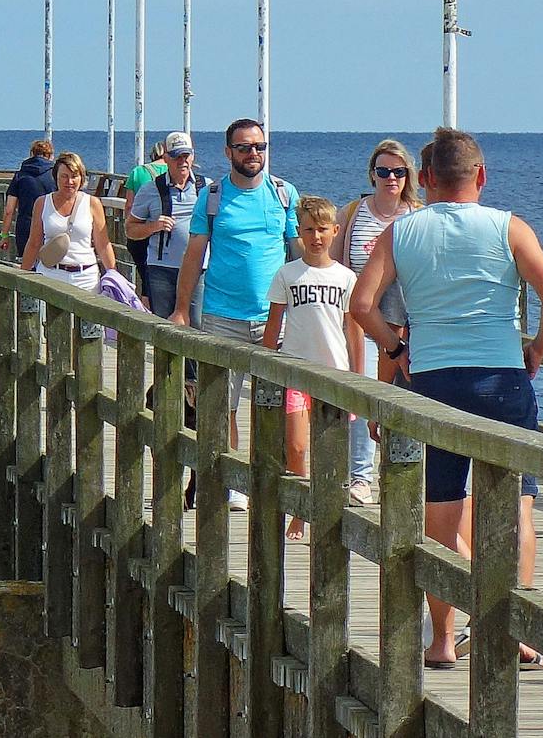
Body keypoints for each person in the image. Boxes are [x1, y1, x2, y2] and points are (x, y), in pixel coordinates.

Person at [348, 127, 543, 671]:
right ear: (481, 176)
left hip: (435, 379)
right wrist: (536, 348)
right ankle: (520, 633)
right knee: (517, 506)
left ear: (424, 179)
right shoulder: (508, 227)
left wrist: (397, 348)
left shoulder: (401, 232)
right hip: (502, 378)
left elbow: (361, 304)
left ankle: (444, 641)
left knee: (441, 510)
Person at [169, 117, 298, 501]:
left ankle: (269, 480)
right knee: (222, 405)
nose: (252, 154)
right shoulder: (212, 197)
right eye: (243, 147)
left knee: (275, 405)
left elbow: (300, 255)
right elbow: (193, 255)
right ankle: (232, 482)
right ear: (228, 153)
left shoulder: (284, 194)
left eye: (258, 146)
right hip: (222, 316)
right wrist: (180, 309)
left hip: (274, 318)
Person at [331, 139, 422, 505]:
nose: (391, 178)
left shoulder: (416, 215)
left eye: (398, 172)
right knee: (364, 395)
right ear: (372, 174)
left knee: (401, 398)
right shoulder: (352, 213)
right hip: (359, 321)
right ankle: (360, 476)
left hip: (404, 323)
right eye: (383, 171)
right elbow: (335, 267)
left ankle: (398, 474)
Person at [265, 196, 358, 540]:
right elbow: (273, 325)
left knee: (329, 448)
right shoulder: (287, 274)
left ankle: (329, 508)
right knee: (297, 447)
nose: (316, 237)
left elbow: (354, 331)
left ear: (335, 231)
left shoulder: (346, 278)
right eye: (308, 230)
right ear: (299, 233)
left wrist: (357, 376)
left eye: (322, 230)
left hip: (334, 375)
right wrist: (267, 365)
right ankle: (301, 509)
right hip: (295, 372)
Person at [125, 131, 205, 319]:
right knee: (164, 326)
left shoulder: (207, 188)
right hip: (162, 270)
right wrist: (153, 226)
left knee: (199, 328)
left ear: (192, 157)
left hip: (199, 270)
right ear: (166, 158)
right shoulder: (150, 190)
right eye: (177, 156)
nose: (182, 161)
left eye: (186, 156)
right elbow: (130, 229)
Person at [20, 151, 114, 291]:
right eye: (64, 176)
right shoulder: (42, 203)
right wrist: (22, 277)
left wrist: (114, 275)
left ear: (81, 178)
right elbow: (34, 243)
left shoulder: (92, 203)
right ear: (55, 177)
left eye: (74, 176)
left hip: (86, 277)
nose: (69, 181)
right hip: (50, 274)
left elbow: (103, 245)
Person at [0, 140, 56, 258]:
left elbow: (9, 210)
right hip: (50, 226)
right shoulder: (56, 176)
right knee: (50, 267)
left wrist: (4, 236)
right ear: (51, 156)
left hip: (25, 227)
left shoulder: (20, 175)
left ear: (32, 154)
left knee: (27, 266)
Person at [122, 140, 169, 279]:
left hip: (141, 233)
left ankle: (145, 298)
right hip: (167, 234)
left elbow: (129, 205)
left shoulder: (138, 172)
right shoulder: (174, 171)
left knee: (145, 277)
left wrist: (129, 226)